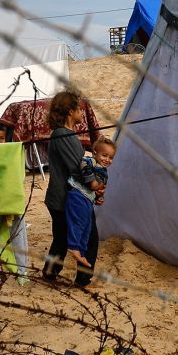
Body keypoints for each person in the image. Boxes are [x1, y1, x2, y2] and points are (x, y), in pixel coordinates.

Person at [43, 90, 98, 285]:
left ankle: (49, 273)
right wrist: (96, 185)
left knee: (61, 239)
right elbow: (79, 167)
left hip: (64, 197)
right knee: (89, 238)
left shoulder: (66, 134)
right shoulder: (62, 134)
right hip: (70, 199)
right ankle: (83, 279)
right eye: (79, 109)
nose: (82, 113)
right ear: (70, 111)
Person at [65, 136, 115, 269]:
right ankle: (73, 246)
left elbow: (100, 188)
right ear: (95, 153)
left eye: (111, 157)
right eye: (104, 155)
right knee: (78, 222)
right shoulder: (90, 160)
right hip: (78, 194)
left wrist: (100, 197)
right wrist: (92, 182)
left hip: (88, 199)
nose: (107, 160)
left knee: (87, 228)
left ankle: (80, 252)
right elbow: (84, 166)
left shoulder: (104, 172)